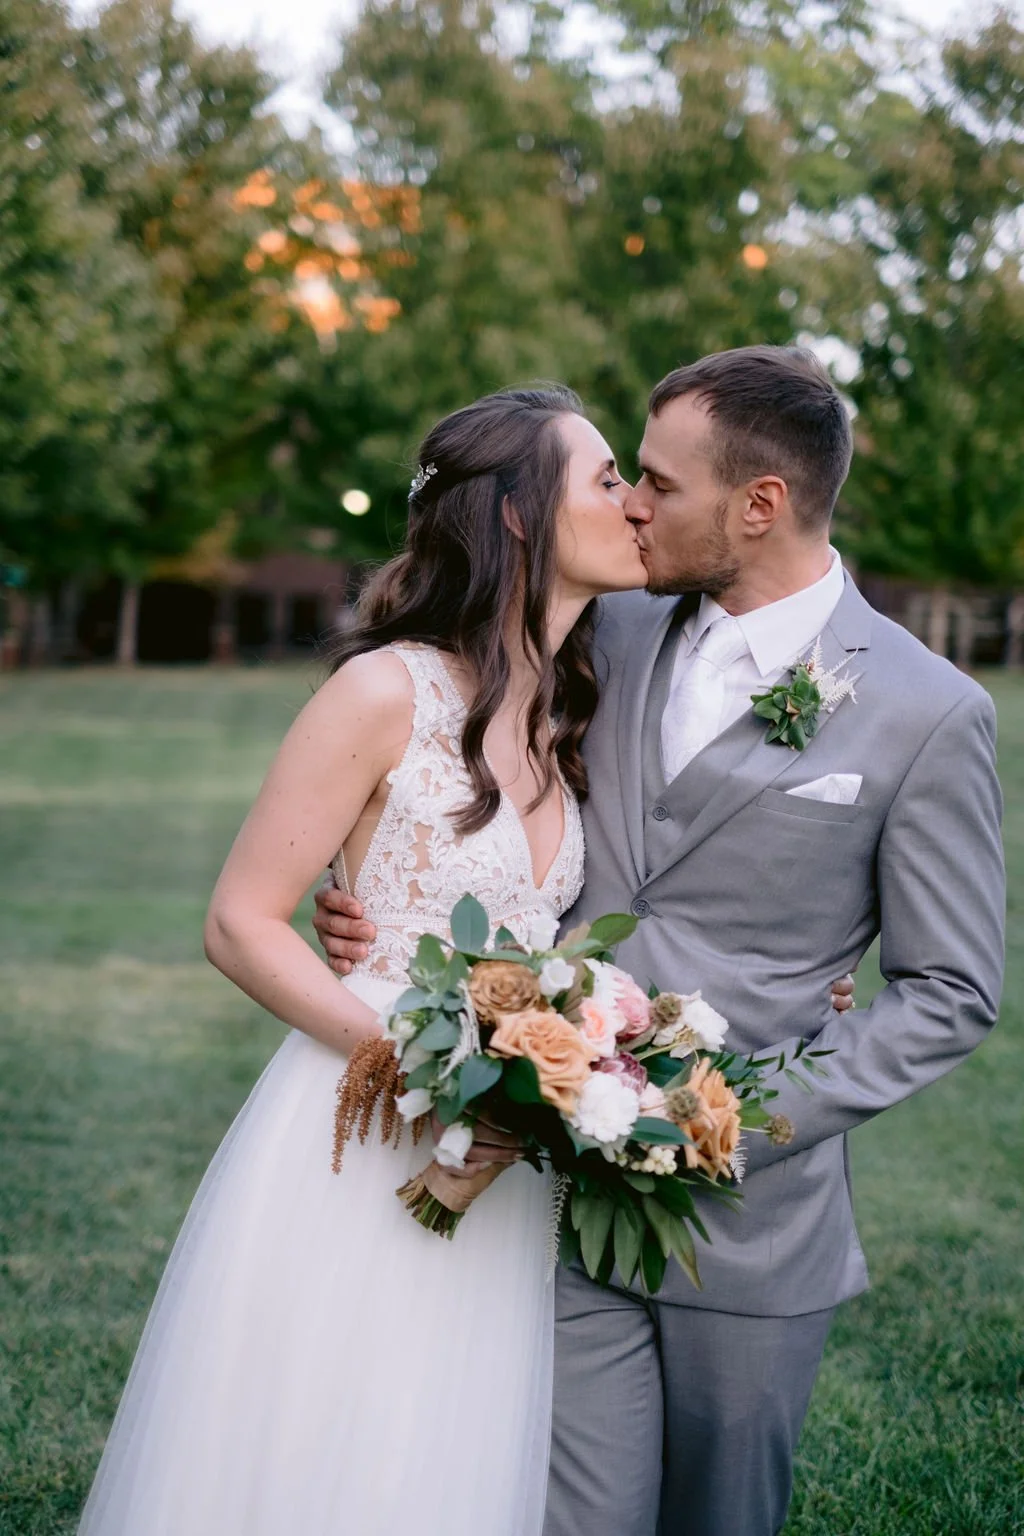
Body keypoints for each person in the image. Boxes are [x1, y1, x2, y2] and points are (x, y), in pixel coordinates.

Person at [314, 346, 1005, 1536]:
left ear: (760, 504)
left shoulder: (927, 710)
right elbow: (463, 768)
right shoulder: (610, 633)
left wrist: (738, 1119)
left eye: (657, 482)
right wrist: (362, 880)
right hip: (558, 1200)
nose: (632, 503)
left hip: (752, 1230)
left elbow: (948, 990)